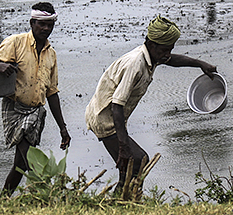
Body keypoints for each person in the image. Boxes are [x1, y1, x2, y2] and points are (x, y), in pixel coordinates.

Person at [84, 15, 217, 191]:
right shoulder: (136, 64)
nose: (167, 55)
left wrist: (200, 64)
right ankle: (123, 203)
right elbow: (117, 104)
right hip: (104, 118)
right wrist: (123, 146)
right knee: (137, 161)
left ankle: (124, 202)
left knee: (130, 168)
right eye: (164, 50)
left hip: (113, 117)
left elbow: (172, 60)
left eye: (170, 49)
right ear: (151, 44)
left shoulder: (153, 56)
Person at [0, 2, 71, 196]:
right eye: (42, 24)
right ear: (32, 23)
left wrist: (62, 127)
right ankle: (46, 196)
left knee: (21, 164)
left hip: (35, 111)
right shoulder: (14, 43)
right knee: (30, 159)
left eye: (50, 25)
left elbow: (51, 91)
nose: (46, 29)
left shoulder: (51, 54)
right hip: (14, 107)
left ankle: (2, 201)